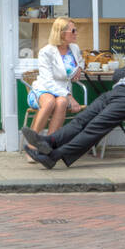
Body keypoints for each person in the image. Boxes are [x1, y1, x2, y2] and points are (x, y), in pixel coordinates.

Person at [23, 27, 125, 169]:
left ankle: (54, 156)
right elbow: (116, 74)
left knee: (95, 127)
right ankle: (48, 141)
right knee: (81, 119)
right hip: (115, 93)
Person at [23, 17, 84, 161]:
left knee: (61, 103)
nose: (76, 33)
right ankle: (32, 148)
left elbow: (81, 61)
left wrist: (80, 68)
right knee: (50, 103)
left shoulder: (74, 48)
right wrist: (69, 96)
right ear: (61, 33)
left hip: (63, 90)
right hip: (43, 89)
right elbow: (47, 81)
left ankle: (48, 146)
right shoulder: (46, 52)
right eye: (73, 30)